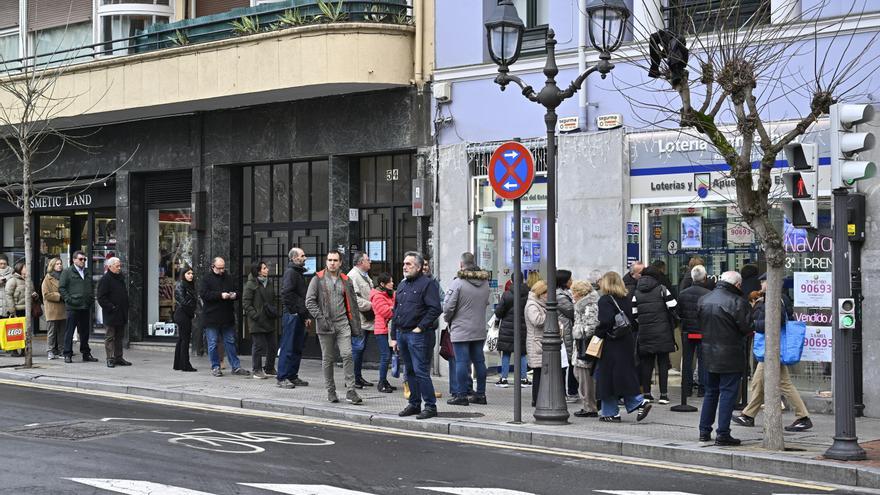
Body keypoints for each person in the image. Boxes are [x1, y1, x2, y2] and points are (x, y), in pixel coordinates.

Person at [732, 278, 812, 432]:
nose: (761, 284)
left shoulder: (776, 298)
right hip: (772, 348)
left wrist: (756, 325)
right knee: (758, 381)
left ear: (771, 282)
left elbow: (777, 321)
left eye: (763, 282)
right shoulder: (775, 298)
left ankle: (803, 417)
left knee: (783, 383)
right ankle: (748, 415)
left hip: (774, 347)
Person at [698, 270, 752, 446]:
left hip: (708, 353)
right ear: (737, 285)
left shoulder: (704, 299)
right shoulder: (737, 302)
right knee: (728, 394)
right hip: (730, 354)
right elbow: (746, 327)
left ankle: (704, 431)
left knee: (710, 393)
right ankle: (723, 433)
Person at [305, 249, 364, 405]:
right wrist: (320, 318)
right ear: (326, 262)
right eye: (330, 260)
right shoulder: (317, 279)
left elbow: (353, 304)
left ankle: (351, 391)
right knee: (328, 359)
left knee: (347, 354)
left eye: (335, 260)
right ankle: (331, 391)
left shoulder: (346, 280)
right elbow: (309, 301)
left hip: (343, 322)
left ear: (340, 262)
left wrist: (356, 325)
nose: (332, 263)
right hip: (325, 324)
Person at [595, 271, 652, 422]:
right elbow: (633, 321)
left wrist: (597, 335)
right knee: (621, 375)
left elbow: (606, 322)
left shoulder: (605, 300)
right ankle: (612, 411)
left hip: (610, 342)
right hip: (626, 341)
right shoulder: (626, 299)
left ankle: (626, 406)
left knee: (607, 377)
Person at [393, 251, 442, 420]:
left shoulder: (428, 284)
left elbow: (435, 308)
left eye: (409, 264)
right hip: (402, 333)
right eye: (404, 264)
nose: (405, 267)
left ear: (419, 267)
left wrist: (420, 327)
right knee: (410, 371)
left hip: (418, 335)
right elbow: (396, 311)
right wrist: (394, 336)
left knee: (421, 371)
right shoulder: (402, 285)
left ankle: (430, 406)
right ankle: (414, 404)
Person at [443, 252, 491, 406]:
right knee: (479, 361)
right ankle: (481, 394)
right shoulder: (485, 283)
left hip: (461, 329)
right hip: (479, 328)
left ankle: (461, 396)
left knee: (461, 362)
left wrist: (448, 319)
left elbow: (448, 307)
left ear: (461, 264)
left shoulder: (458, 282)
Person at [632, 265, 678, 404]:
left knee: (647, 363)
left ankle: (647, 394)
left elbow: (634, 314)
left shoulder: (636, 292)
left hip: (645, 332)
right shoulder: (662, 289)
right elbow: (673, 306)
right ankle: (663, 395)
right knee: (663, 363)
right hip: (662, 332)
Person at [200, 256, 249, 378]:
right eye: (219, 268)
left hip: (227, 316)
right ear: (213, 267)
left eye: (223, 268)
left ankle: (236, 367)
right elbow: (204, 295)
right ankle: (216, 367)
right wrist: (220, 295)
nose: (222, 270)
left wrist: (234, 295)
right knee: (212, 343)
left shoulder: (229, 277)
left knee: (230, 342)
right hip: (211, 317)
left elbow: (238, 291)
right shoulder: (206, 279)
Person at [525, 280, 565, 407]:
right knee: (538, 373)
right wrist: (550, 315)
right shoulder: (532, 305)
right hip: (537, 343)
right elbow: (536, 320)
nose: (549, 295)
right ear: (540, 293)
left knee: (544, 372)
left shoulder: (541, 304)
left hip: (542, 342)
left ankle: (542, 398)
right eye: (546, 293)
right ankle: (536, 399)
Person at [678, 265, 712, 398]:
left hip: (687, 330)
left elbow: (679, 312)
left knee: (687, 360)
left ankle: (686, 388)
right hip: (703, 330)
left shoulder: (683, 294)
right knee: (702, 359)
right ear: (704, 278)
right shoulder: (708, 294)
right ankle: (702, 388)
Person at [278, 247, 310, 389]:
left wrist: (305, 315)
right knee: (288, 347)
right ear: (294, 258)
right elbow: (286, 294)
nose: (305, 258)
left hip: (298, 315)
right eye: (302, 255)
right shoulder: (291, 273)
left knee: (297, 347)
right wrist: (294, 312)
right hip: (292, 315)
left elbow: (301, 297)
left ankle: (292, 375)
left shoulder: (297, 272)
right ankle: (282, 377)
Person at [243, 261, 279, 379]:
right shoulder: (250, 284)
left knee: (273, 345)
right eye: (264, 268)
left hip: (269, 319)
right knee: (258, 346)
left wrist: (273, 310)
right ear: (258, 271)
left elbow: (273, 299)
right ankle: (257, 370)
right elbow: (246, 303)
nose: (267, 269)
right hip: (257, 321)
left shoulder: (269, 282)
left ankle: (269, 368)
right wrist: (255, 315)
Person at [61, 250, 98, 364]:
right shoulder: (67, 272)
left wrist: (91, 298)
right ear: (74, 260)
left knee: (85, 332)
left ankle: (86, 353)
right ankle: (67, 354)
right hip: (73, 307)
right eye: (81, 259)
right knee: (70, 331)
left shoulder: (87, 272)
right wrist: (69, 299)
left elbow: (91, 286)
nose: (83, 261)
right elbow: (62, 288)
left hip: (85, 306)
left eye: (84, 259)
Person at [495, 273, 530, 387]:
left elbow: (499, 311)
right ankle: (524, 379)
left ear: (511, 280)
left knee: (506, 353)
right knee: (522, 353)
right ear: (523, 279)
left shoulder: (507, 294)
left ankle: (504, 378)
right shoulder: (529, 294)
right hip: (523, 326)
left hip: (507, 327)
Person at [571, 279, 599, 418]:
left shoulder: (589, 305)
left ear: (580, 293)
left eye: (574, 292)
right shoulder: (582, 304)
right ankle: (588, 404)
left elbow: (591, 326)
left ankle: (590, 407)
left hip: (585, 345)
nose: (572, 295)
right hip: (581, 345)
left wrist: (577, 331)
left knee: (585, 377)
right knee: (579, 374)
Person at [96, 257, 131, 368]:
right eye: (117, 266)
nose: (119, 268)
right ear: (109, 267)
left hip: (121, 312)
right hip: (111, 312)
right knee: (110, 337)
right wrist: (111, 307)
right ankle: (110, 358)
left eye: (120, 266)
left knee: (119, 336)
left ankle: (118, 357)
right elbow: (101, 297)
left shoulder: (120, 278)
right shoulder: (105, 279)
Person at [347, 252, 375, 389]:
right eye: (367, 260)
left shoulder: (364, 275)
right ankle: (352, 379)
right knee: (357, 349)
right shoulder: (353, 276)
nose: (370, 262)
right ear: (360, 262)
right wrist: (373, 305)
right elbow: (354, 300)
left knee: (360, 349)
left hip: (367, 319)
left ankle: (358, 377)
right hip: (359, 320)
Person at [371, 272, 396, 393]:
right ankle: (381, 382)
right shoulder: (378, 296)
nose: (392, 283)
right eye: (390, 281)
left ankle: (385, 380)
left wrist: (393, 308)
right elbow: (387, 312)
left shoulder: (390, 294)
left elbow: (396, 307)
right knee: (385, 356)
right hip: (382, 330)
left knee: (388, 356)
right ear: (382, 284)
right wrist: (394, 308)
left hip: (389, 330)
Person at [556, 269, 578, 401]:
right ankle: (568, 391)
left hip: (567, 330)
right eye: (570, 279)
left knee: (569, 361)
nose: (572, 281)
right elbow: (571, 311)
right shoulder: (560, 296)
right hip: (565, 332)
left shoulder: (565, 293)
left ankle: (570, 390)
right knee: (567, 362)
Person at [173, 266, 198, 372]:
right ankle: (185, 365)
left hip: (185, 314)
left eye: (192, 273)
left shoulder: (189, 285)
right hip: (182, 314)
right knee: (185, 340)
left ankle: (178, 364)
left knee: (181, 339)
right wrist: (192, 313)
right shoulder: (180, 285)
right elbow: (183, 302)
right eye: (188, 273)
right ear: (183, 275)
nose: (191, 275)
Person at [42, 257, 66, 360]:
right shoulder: (48, 278)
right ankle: (50, 351)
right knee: (52, 332)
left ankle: (61, 350)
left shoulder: (64, 276)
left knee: (62, 331)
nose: (59, 265)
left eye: (60, 263)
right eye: (57, 264)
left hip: (63, 308)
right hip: (52, 308)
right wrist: (59, 296)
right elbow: (46, 294)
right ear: (52, 266)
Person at [0, 255, 13, 320]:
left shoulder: (12, 273)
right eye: (1, 264)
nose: (2, 265)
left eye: (4, 264)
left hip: (8, 305)